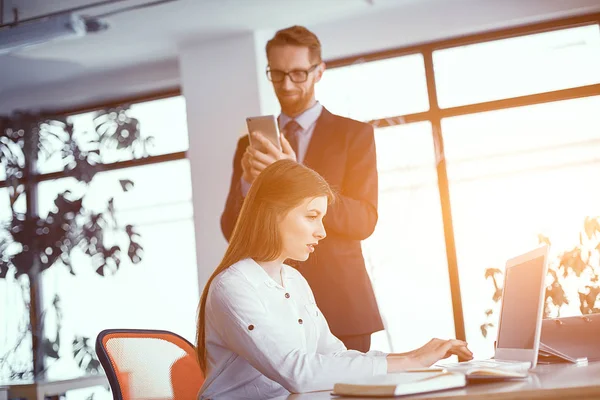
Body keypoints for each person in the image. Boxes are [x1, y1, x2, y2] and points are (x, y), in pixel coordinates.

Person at [198, 159, 473, 399]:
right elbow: (297, 373)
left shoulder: (293, 280)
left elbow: (333, 355)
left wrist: (410, 359)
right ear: (273, 214)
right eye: (311, 216)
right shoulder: (232, 287)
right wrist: (410, 361)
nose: (322, 232)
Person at [221, 25, 381, 352]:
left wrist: (296, 175)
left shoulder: (354, 136)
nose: (287, 85)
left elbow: (364, 220)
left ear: (319, 71)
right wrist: (247, 184)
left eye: (297, 73)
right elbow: (230, 229)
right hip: (274, 304)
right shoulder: (249, 146)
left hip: (342, 303)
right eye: (277, 74)